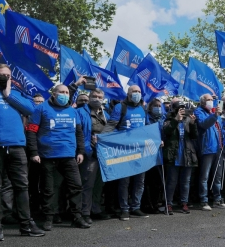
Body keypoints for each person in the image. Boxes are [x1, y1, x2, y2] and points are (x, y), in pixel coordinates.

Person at [0, 64, 45, 240]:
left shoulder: (15, 92)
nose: (5, 78)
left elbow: (31, 109)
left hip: (17, 146)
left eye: (8, 75)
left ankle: (26, 224)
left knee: (22, 186)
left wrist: (9, 95)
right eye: (1, 75)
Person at [26, 84, 90, 230]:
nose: (65, 94)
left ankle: (77, 217)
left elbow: (79, 133)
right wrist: (34, 153)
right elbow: (31, 131)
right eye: (61, 92)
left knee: (76, 186)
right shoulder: (41, 109)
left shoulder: (73, 112)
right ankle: (48, 218)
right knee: (48, 189)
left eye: (67, 92)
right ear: (53, 94)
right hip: (47, 156)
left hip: (69, 156)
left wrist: (80, 151)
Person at [102, 85, 149, 221]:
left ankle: (136, 207)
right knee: (125, 181)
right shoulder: (120, 107)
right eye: (134, 91)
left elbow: (146, 127)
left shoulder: (142, 108)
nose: (137, 93)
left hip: (140, 150)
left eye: (139, 91)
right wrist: (103, 137)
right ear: (128, 93)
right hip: (125, 150)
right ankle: (124, 209)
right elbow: (111, 125)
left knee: (140, 180)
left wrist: (156, 139)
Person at [76, 88, 110, 221]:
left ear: (103, 98)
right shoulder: (80, 112)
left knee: (99, 184)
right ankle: (85, 212)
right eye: (94, 96)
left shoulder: (106, 114)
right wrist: (84, 149)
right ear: (90, 97)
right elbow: (78, 133)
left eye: (100, 96)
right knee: (87, 184)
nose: (97, 98)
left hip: (103, 154)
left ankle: (96, 209)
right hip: (88, 153)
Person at [194, 93, 225, 211]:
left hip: (219, 148)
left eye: (212, 100)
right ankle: (203, 201)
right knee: (205, 176)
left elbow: (220, 128)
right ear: (203, 102)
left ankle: (217, 199)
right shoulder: (199, 112)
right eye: (209, 100)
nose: (211, 101)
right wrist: (215, 115)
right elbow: (204, 124)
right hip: (207, 148)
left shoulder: (215, 112)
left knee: (217, 176)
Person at [163, 101, 198, 214]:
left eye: (183, 108)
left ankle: (184, 203)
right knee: (172, 181)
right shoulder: (168, 120)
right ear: (174, 109)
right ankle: (168, 204)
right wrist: (175, 120)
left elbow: (194, 136)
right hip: (174, 155)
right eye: (179, 108)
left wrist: (193, 124)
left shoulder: (187, 120)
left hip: (186, 154)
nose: (182, 110)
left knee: (185, 181)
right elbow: (167, 131)